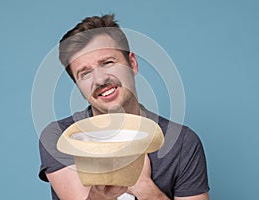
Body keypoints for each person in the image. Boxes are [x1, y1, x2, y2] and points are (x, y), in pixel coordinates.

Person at [38, 14, 210, 200]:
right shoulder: (60, 137)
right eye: (85, 73)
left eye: (108, 63)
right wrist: (108, 188)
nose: (100, 80)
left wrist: (144, 187)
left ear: (133, 64)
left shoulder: (183, 143)